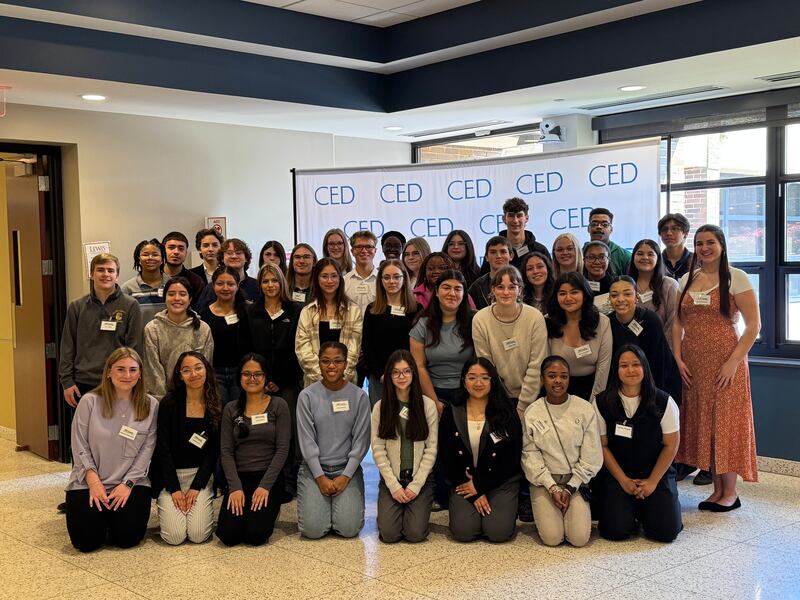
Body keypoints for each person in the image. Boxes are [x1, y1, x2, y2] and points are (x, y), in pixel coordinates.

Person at [673, 225, 760, 511]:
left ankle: (730, 493)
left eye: (710, 242)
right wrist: (678, 357)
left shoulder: (737, 278)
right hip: (694, 365)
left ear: (721, 245)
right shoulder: (687, 278)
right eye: (699, 243)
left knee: (726, 422)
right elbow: (677, 321)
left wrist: (734, 362)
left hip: (726, 363)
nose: (704, 248)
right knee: (706, 423)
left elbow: (754, 326)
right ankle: (717, 489)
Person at [64, 348, 158, 552]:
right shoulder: (89, 401)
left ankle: (110, 519)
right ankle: (102, 520)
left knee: (127, 539)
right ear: (108, 372)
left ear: (140, 373)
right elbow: (79, 444)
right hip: (88, 481)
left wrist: (128, 484)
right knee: (86, 543)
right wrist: (93, 482)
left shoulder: (150, 405)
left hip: (131, 483)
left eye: (133, 370)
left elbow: (147, 450)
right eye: (120, 369)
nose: (127, 375)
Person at [595, 345, 682, 542]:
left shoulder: (664, 401)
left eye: (636, 364)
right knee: (615, 531)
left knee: (665, 532)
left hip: (655, 474)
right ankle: (634, 510)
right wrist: (623, 480)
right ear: (616, 371)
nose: (630, 370)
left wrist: (652, 482)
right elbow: (602, 446)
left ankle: (654, 507)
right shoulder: (602, 402)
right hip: (619, 475)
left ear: (645, 367)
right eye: (624, 365)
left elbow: (671, 445)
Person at [521, 356, 602, 547]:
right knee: (552, 538)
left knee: (579, 539)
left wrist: (571, 486)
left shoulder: (584, 409)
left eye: (563, 376)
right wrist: (552, 487)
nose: (558, 381)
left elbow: (592, 454)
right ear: (542, 379)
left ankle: (571, 507)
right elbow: (530, 454)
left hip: (576, 481)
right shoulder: (533, 412)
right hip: (544, 482)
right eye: (552, 376)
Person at [439, 357, 522, 543]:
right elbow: (447, 455)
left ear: (493, 380)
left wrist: (480, 485)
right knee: (464, 532)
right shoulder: (452, 411)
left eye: (485, 378)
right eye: (472, 377)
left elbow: (512, 457)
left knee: (497, 532)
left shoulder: (506, 411)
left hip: (500, 480)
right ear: (463, 380)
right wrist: (474, 491)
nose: (478, 383)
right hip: (463, 481)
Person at [239, 263, 304, 496]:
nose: (270, 285)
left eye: (274, 281)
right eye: (265, 281)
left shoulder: (295, 310)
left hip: (288, 382)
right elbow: (247, 349)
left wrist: (280, 379)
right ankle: (265, 478)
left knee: (287, 432)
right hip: (258, 383)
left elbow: (298, 349)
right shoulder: (251, 312)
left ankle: (288, 480)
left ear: (282, 283)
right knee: (263, 431)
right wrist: (263, 379)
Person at [296, 342, 371, 539]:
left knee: (348, 529)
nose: (331, 366)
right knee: (312, 531)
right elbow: (306, 440)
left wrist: (345, 476)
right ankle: (323, 507)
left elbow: (361, 441)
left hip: (347, 468)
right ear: (318, 364)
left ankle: (334, 508)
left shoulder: (359, 396)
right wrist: (320, 477)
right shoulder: (307, 396)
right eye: (325, 361)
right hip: (314, 469)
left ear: (346, 364)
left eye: (337, 361)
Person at [216, 354, 290, 546]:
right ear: (239, 377)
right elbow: (226, 451)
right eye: (246, 374)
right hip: (239, 478)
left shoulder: (278, 405)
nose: (252, 378)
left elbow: (282, 449)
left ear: (266, 377)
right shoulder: (231, 409)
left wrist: (265, 486)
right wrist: (235, 488)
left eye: (258, 374)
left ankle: (270, 508)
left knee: (256, 535)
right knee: (228, 536)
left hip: (268, 479)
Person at [153, 351, 221, 545]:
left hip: (199, 477)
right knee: (174, 537)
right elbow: (162, 449)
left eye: (198, 368)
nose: (194, 374)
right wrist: (174, 489)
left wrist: (196, 487)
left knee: (198, 535)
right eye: (187, 370)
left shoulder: (215, 403)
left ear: (206, 370)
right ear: (179, 376)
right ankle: (167, 506)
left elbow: (212, 452)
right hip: (170, 478)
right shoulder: (169, 403)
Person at [60, 252, 143, 409]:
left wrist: (131, 380)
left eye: (110, 271)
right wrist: (67, 382)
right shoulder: (77, 307)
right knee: (85, 432)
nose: (106, 274)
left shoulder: (131, 306)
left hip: (118, 382)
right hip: (83, 383)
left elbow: (135, 348)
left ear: (117, 276)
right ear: (91, 274)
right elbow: (67, 346)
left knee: (116, 432)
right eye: (100, 270)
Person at [371, 350, 438, 543]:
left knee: (414, 534)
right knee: (389, 535)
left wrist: (415, 486)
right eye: (396, 372)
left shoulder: (427, 406)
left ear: (414, 374)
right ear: (389, 376)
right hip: (392, 479)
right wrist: (393, 486)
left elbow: (431, 449)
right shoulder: (380, 407)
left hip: (420, 480)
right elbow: (378, 450)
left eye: (406, 371)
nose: (401, 377)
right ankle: (389, 512)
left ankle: (414, 509)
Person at [472, 265, 547, 416]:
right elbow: (487, 365)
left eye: (512, 287)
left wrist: (523, 405)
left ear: (520, 290)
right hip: (497, 398)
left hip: (532, 398)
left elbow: (537, 364)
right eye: (500, 287)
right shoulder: (480, 319)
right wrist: (502, 402)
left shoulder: (534, 317)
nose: (506, 292)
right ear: (492, 289)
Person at [608, 276, 682, 403]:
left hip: (653, 386)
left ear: (636, 297)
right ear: (609, 299)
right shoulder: (607, 322)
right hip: (621, 387)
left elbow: (659, 364)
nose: (620, 299)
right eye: (614, 295)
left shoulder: (650, 320)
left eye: (627, 294)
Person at [410, 269, 475, 412]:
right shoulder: (422, 324)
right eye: (446, 287)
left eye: (457, 289)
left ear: (464, 294)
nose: (452, 293)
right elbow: (419, 366)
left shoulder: (475, 321)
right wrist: (435, 403)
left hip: (470, 392)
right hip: (433, 393)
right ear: (437, 292)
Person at [362, 259, 421, 406]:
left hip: (409, 378)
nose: (391, 281)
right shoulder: (372, 309)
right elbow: (367, 346)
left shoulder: (416, 309)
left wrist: (409, 374)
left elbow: (420, 347)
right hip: (380, 379)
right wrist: (380, 375)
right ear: (380, 280)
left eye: (396, 277)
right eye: (386, 277)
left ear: (404, 279)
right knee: (382, 423)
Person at [545, 272, 612, 403]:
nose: (568, 298)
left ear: (585, 295)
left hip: (592, 390)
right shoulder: (547, 322)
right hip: (555, 390)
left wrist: (594, 403)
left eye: (574, 292)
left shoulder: (602, 322)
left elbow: (603, 368)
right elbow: (544, 365)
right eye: (562, 293)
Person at [143, 277, 214, 399]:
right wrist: (165, 401)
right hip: (163, 399)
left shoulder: (202, 329)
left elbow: (203, 367)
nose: (177, 298)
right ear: (165, 298)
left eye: (182, 294)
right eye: (171, 294)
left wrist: (192, 396)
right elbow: (152, 369)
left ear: (190, 299)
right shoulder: (152, 329)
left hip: (195, 396)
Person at [296, 258, 362, 388]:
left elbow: (354, 349)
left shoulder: (353, 310)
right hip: (314, 383)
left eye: (334, 276)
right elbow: (302, 349)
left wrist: (340, 377)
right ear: (317, 279)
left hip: (346, 382)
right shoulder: (307, 312)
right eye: (324, 276)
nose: (330, 281)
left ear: (340, 279)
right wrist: (323, 378)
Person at [200, 267, 247, 404]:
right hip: (215, 373)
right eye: (220, 284)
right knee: (218, 413)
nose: (225, 288)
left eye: (230, 284)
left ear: (237, 286)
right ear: (213, 286)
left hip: (241, 371)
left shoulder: (248, 310)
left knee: (240, 412)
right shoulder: (204, 314)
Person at [479, 197, 551, 276]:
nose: (515, 220)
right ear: (504, 219)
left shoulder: (540, 250)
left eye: (519, 215)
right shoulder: (494, 250)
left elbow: (550, 279)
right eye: (511, 215)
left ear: (526, 218)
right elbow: (484, 279)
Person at [628, 239, 679, 349]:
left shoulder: (669, 285)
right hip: (631, 349)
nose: (645, 257)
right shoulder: (626, 285)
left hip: (661, 349)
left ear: (658, 259)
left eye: (650, 254)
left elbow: (673, 321)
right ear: (633, 258)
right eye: (640, 254)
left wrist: (663, 348)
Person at [196, 238, 260, 310]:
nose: (234, 256)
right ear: (222, 259)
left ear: (246, 258)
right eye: (229, 253)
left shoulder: (257, 285)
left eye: (238, 253)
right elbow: (201, 314)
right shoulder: (211, 288)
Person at [121, 239, 170, 328]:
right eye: (145, 254)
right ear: (139, 259)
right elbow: (122, 320)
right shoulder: (127, 288)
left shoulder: (172, 285)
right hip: (139, 340)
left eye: (155, 255)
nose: (150, 258)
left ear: (162, 259)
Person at [468, 236, 512, 310]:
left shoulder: (520, 282)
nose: (498, 256)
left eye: (503, 252)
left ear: (511, 256)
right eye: (493, 252)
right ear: (486, 257)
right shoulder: (477, 286)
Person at [162, 232, 206, 304]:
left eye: (181, 249)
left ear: (186, 253)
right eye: (171, 248)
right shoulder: (155, 277)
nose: (176, 252)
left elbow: (199, 311)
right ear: (163, 250)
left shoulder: (196, 281)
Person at [344, 230, 378, 319]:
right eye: (359, 247)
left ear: (375, 251)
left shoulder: (383, 280)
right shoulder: (344, 281)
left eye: (368, 246)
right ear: (352, 251)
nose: (364, 251)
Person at [586, 208, 631, 276]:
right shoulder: (580, 254)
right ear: (588, 228)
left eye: (604, 224)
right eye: (594, 224)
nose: (599, 227)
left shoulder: (625, 256)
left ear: (611, 229)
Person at [658, 213, 693, 280]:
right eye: (664, 229)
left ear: (685, 233)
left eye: (674, 229)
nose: (669, 233)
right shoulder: (656, 261)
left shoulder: (696, 262)